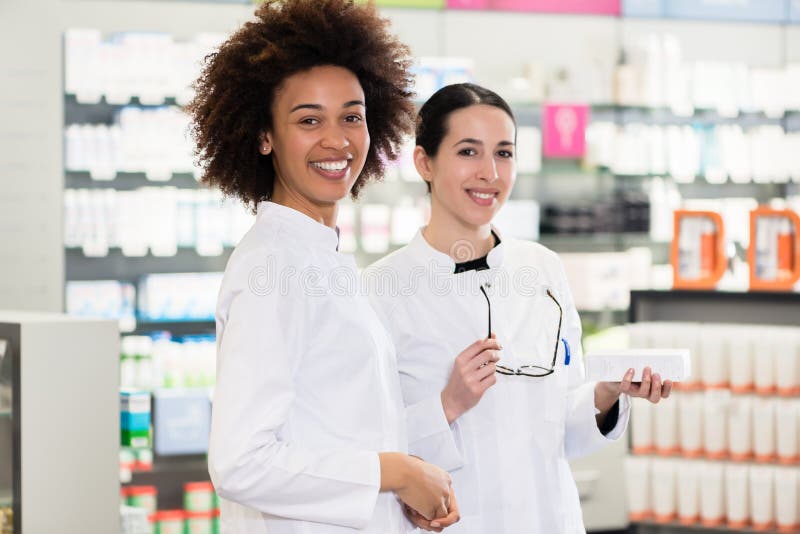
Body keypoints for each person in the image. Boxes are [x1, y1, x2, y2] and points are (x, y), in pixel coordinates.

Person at [187, 2, 460, 532]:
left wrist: (403, 490)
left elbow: (336, 428)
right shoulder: (272, 269)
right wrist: (396, 473)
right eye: (309, 119)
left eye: (351, 116)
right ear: (264, 136)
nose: (336, 140)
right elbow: (241, 462)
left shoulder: (319, 256)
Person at [365, 83, 672, 533]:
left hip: (548, 517)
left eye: (504, 153)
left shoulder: (542, 269)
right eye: (468, 152)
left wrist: (606, 393)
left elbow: (563, 429)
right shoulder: (379, 290)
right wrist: (448, 404)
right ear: (424, 162)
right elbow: (367, 451)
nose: (490, 172)